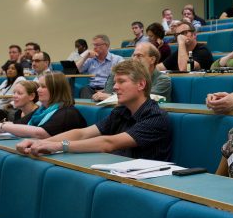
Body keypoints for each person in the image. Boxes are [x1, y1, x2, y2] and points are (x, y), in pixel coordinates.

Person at [15, 60, 172, 161]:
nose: (115, 87)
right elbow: (83, 133)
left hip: (148, 183)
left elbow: (108, 143)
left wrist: (57, 146)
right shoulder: (121, 112)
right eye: (115, 81)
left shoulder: (155, 117)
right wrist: (41, 142)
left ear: (141, 85)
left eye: (122, 81)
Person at [0, 72, 86, 138]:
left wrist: (1, 126)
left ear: (56, 90)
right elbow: (19, 125)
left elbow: (41, 133)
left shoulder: (67, 112)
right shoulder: (42, 110)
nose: (38, 90)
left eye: (43, 86)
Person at [93, 42, 172, 102]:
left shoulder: (163, 80)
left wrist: (111, 97)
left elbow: (147, 100)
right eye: (134, 55)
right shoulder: (131, 77)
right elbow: (108, 92)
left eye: (139, 56)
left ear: (152, 60)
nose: (134, 59)